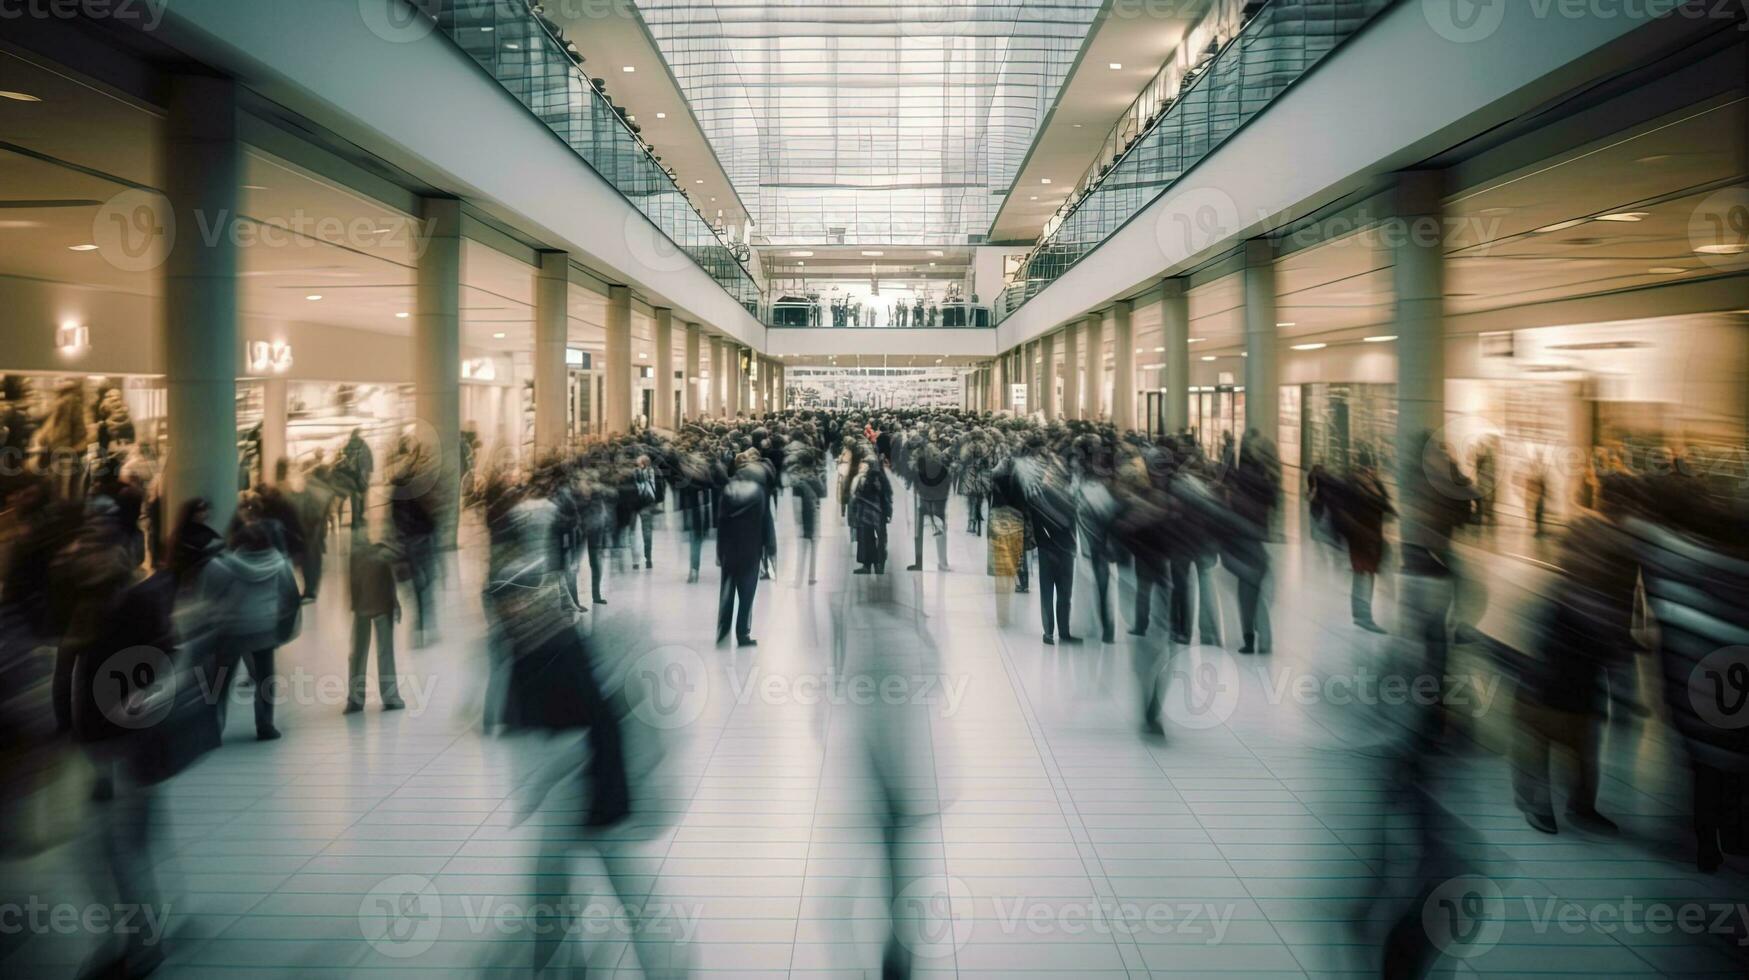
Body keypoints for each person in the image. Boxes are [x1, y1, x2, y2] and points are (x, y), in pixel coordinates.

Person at [201, 521, 298, 741]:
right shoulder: (279, 565)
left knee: (220, 681)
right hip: (264, 630)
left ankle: (213, 727)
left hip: (232, 630)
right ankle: (265, 725)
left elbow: (209, 595)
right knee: (265, 679)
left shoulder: (224, 566)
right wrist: (282, 626)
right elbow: (290, 597)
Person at [1224, 430, 1278, 654]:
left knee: (1246, 592)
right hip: (1255, 536)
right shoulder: (1268, 477)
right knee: (1257, 591)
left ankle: (1250, 638)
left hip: (1243, 536)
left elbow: (1227, 484)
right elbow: (1273, 504)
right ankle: (1263, 637)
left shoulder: (1243, 475)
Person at [716, 449, 775, 646]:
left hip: (729, 549)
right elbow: (767, 522)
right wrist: (771, 549)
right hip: (752, 548)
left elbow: (721, 523)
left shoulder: (728, 490)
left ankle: (723, 630)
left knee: (727, 590)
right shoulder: (759, 492)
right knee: (747, 593)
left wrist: (719, 552)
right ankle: (743, 633)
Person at [1331, 450, 1393, 633]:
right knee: (1363, 575)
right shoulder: (1356, 483)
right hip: (1362, 537)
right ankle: (1363, 616)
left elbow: (1385, 504)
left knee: (1366, 575)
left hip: (1369, 536)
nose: (1374, 471)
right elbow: (1380, 504)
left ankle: (1362, 615)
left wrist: (1378, 484)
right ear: (1368, 467)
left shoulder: (1368, 483)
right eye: (1373, 467)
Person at [345, 529, 404, 713]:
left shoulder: (355, 557)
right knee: (385, 652)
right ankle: (390, 697)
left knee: (358, 654)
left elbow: (352, 585)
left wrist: (354, 606)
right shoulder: (384, 556)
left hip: (362, 608)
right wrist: (395, 605)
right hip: (382, 608)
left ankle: (355, 699)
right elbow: (390, 585)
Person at [907, 432, 953, 572]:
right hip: (939, 491)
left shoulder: (918, 456)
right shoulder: (934, 450)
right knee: (938, 525)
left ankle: (920, 562)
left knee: (921, 527)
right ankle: (943, 562)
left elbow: (913, 472)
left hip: (928, 493)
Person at [850, 448, 893, 576]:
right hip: (873, 512)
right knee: (876, 538)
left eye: (864, 464)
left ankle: (870, 565)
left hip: (870, 511)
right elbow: (888, 495)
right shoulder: (878, 477)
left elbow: (856, 495)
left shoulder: (871, 478)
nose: (861, 466)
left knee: (867, 538)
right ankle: (876, 565)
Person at [339, 428, 374, 527]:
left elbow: (344, 458)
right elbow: (369, 460)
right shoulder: (363, 445)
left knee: (355, 498)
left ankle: (356, 519)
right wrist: (369, 473)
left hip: (355, 476)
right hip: (361, 476)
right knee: (361, 497)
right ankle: (358, 518)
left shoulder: (349, 446)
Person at [631, 453, 660, 570]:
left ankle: (635, 562)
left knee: (633, 532)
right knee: (647, 531)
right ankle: (648, 559)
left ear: (643, 464)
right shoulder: (653, 472)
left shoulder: (638, 472)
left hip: (638, 503)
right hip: (649, 503)